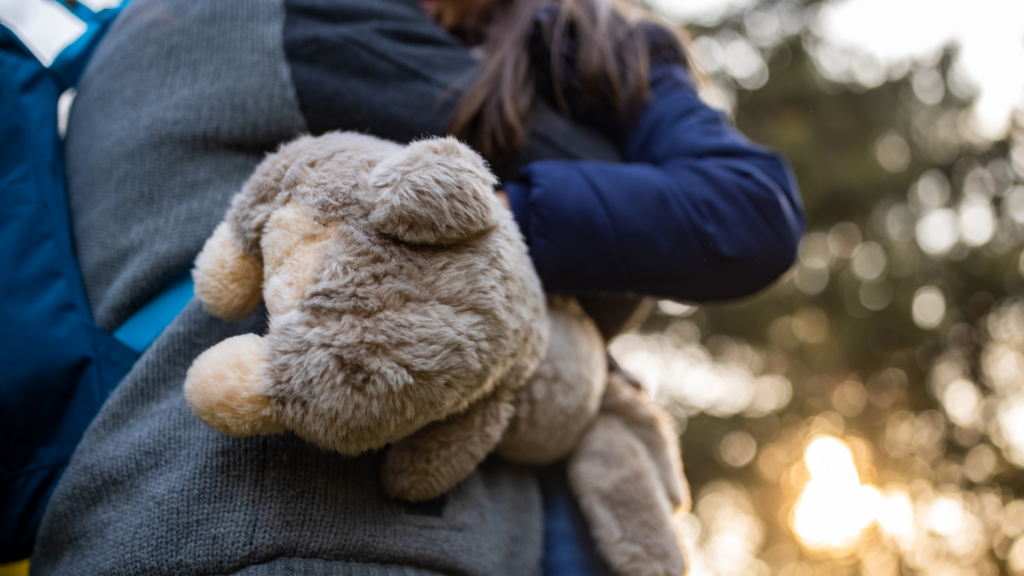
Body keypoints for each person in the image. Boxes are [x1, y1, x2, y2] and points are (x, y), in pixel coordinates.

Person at [29, 0, 802, 573]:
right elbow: (717, 208)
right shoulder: (289, 24)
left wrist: (509, 214)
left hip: (204, 520)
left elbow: (746, 210)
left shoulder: (584, 44)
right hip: (285, 531)